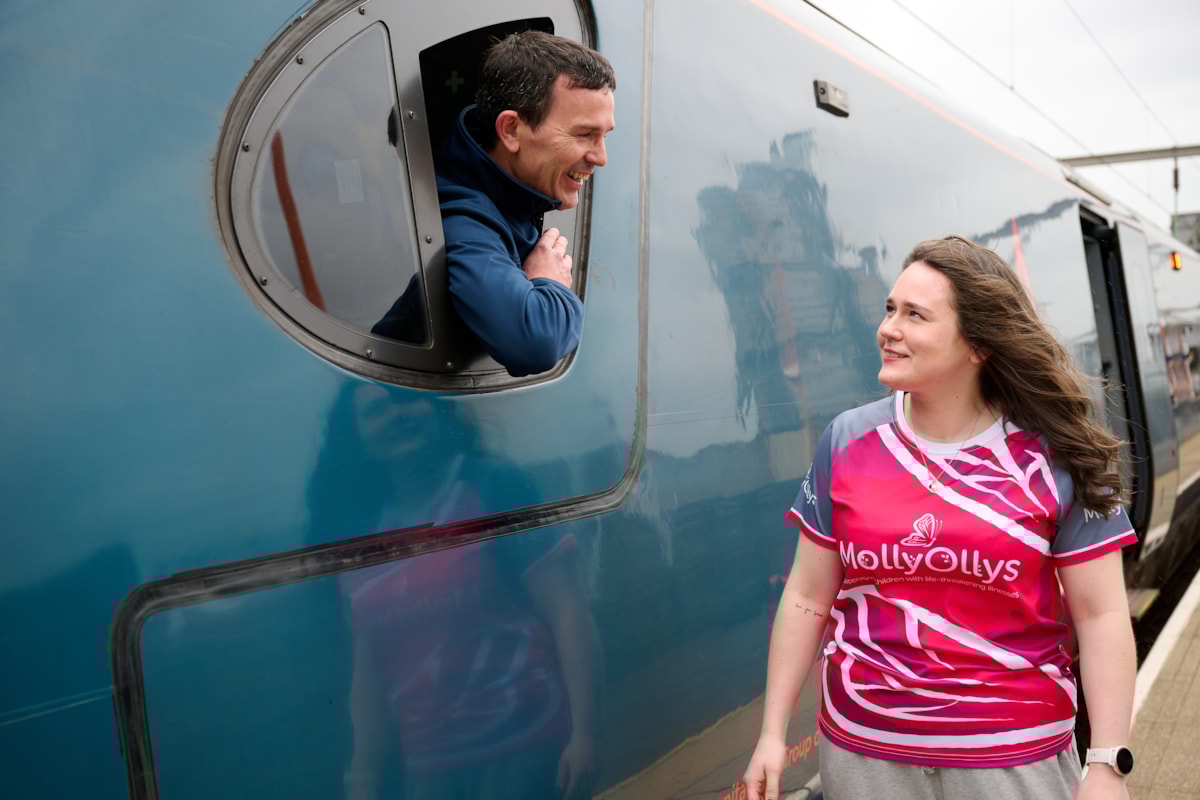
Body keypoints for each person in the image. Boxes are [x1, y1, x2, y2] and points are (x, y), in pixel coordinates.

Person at [743, 236, 1138, 800]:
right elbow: (808, 595)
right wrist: (772, 734)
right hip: (864, 756)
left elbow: (1101, 616)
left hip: (1012, 756)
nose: (888, 329)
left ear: (977, 345)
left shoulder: (1054, 454)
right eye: (889, 309)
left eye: (915, 315)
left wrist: (1106, 763)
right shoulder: (847, 441)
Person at [374, 31, 615, 377]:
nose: (601, 158)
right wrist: (550, 283)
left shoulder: (504, 193)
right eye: (584, 135)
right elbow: (535, 343)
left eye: (604, 136)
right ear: (511, 130)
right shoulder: (463, 218)